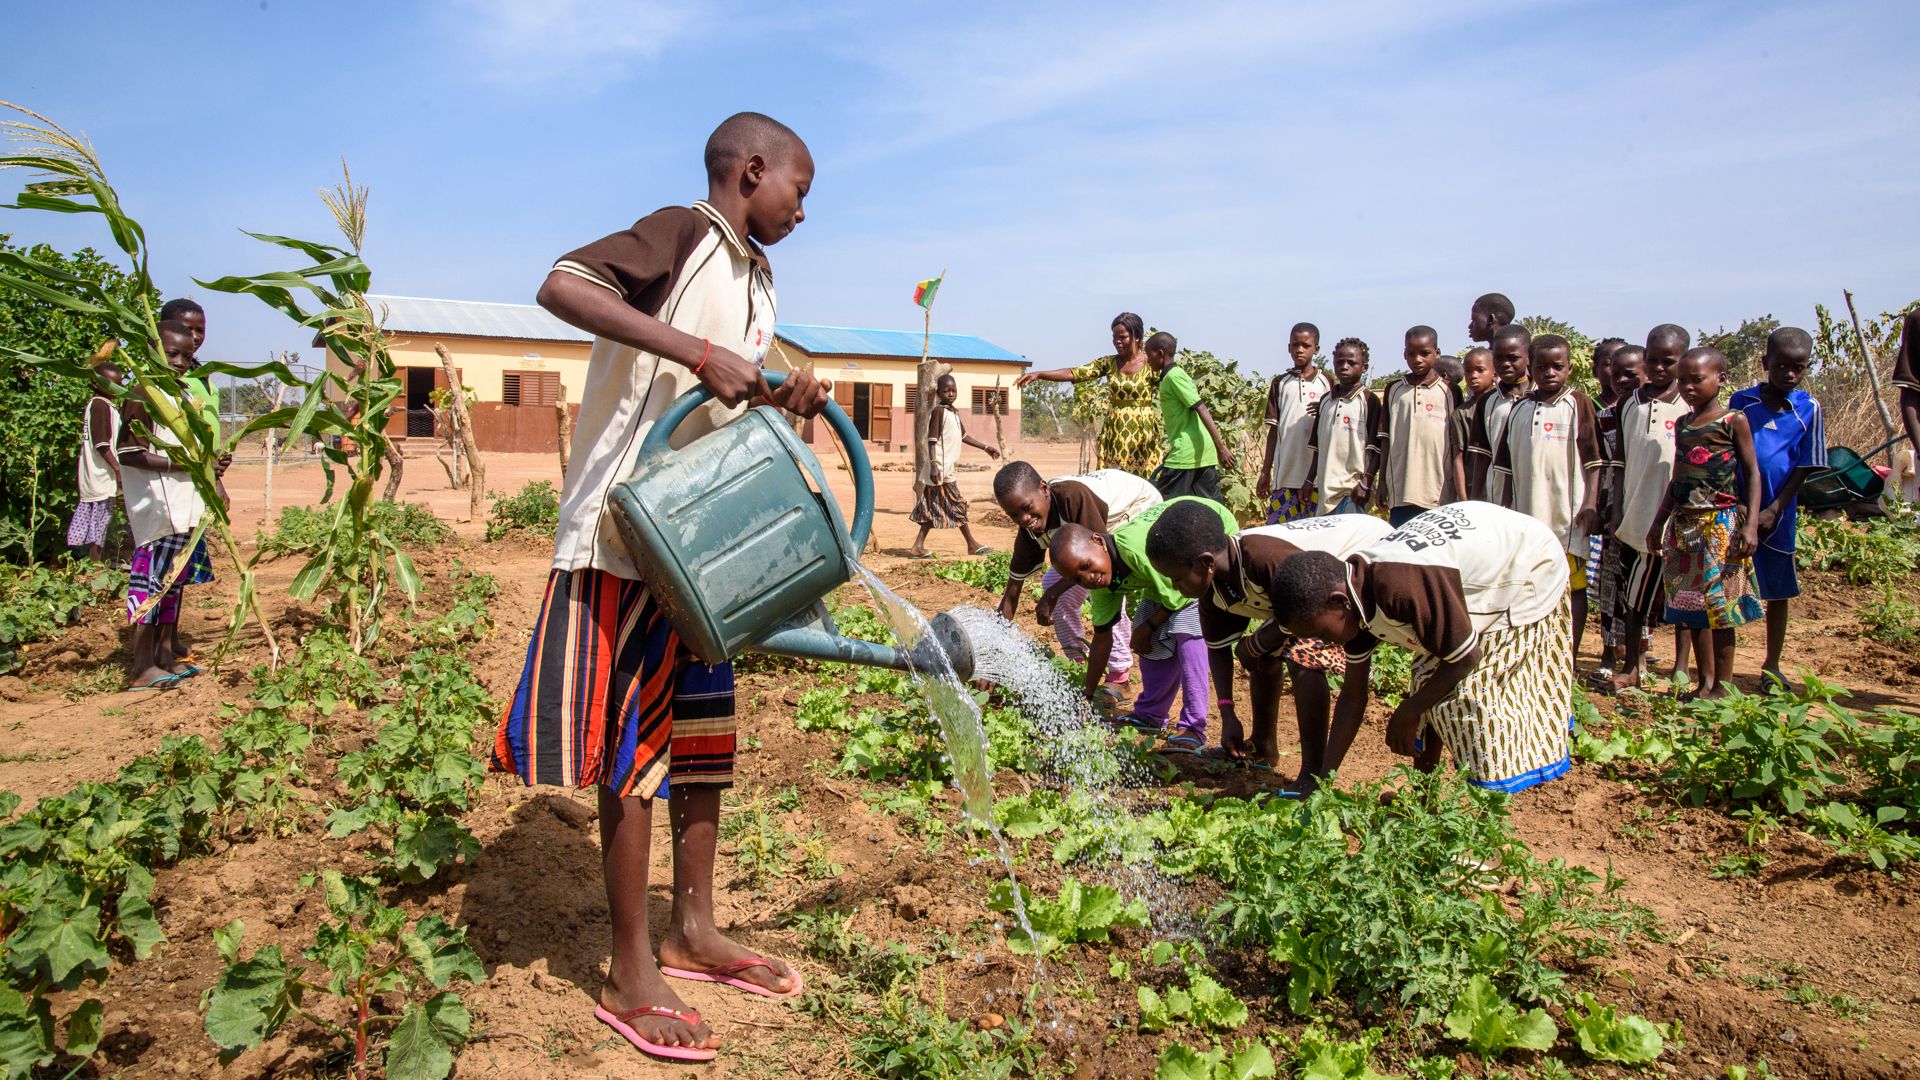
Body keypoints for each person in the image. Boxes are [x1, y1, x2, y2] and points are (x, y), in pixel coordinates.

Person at [490, 112, 830, 1063]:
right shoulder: (684, 235)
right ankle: (630, 965)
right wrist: (694, 353)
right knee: (631, 751)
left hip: (701, 543)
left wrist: (779, 388)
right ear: (752, 172)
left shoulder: (757, 277)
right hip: (627, 531)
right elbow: (563, 283)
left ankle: (694, 928)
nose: (804, 211)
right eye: (799, 191)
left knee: (702, 738)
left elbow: (725, 387)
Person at [1268, 501, 1574, 793]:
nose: (1322, 643)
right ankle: (1423, 799)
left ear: (1338, 603)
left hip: (1527, 566)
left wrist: (1408, 711)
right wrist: (1322, 782)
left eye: (1320, 633)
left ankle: (1484, 816)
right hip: (1476, 553)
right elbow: (1352, 696)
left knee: (1469, 698)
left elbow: (1467, 657)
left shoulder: (1399, 587)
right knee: (1428, 678)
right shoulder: (1355, 602)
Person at [1145, 500, 1391, 789]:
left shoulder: (1261, 558)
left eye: (1176, 579)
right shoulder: (1214, 593)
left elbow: (1307, 605)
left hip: (1360, 556)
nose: (1175, 588)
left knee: (1301, 656)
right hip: (1306, 595)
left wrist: (1258, 641)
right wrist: (1227, 714)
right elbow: (1218, 649)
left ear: (1206, 563)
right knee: (1261, 651)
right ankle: (1263, 745)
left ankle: (1312, 774)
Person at [1047, 496, 1237, 754]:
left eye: (1086, 566)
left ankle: (1194, 726)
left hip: (1203, 539)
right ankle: (1152, 714)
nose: (1088, 579)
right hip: (1167, 572)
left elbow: (1179, 597)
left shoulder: (1134, 550)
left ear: (1098, 541)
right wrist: (1087, 696)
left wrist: (1147, 627)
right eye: (1076, 579)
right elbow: (1103, 638)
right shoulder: (1104, 584)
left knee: (1187, 625)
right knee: (1148, 631)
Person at [993, 462, 1162, 706]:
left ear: (1043, 489)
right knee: (1054, 581)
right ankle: (1080, 666)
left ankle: (1119, 676)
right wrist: (994, 653)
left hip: (1137, 509)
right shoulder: (1029, 530)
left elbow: (1099, 554)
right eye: (1014, 515)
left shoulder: (1072, 497)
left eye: (1026, 508)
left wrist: (1051, 595)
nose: (1024, 518)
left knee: (1107, 585)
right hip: (1100, 533)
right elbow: (1011, 593)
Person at [1648, 347, 1762, 698]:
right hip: (1685, 525)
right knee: (1692, 606)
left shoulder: (1733, 420)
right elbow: (1678, 478)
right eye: (1683, 381)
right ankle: (1704, 683)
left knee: (1721, 609)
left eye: (1697, 380)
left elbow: (1752, 473)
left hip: (1721, 524)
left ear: (1720, 379)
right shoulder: (1683, 424)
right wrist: (1659, 522)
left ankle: (1723, 687)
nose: (1688, 387)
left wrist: (1751, 524)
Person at [116, 322, 221, 690]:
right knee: (150, 587)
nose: (179, 362)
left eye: (186, 357)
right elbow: (129, 453)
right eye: (171, 354)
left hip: (179, 508)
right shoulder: (142, 394)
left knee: (171, 585)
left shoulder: (174, 395)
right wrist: (184, 464)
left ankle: (163, 656)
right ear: (152, 353)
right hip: (156, 511)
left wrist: (208, 465)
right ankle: (141, 666)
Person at [1492, 334, 1601, 661]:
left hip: (1567, 520)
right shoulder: (1518, 410)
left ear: (1569, 368)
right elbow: (1506, 467)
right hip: (1527, 519)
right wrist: (1505, 511)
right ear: (1531, 367)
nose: (1550, 373)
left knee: (1573, 588)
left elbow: (1594, 461)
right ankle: (1534, 653)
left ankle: (1570, 653)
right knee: (1530, 587)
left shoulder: (1577, 404)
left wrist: (1591, 503)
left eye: (1558, 366)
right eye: (1542, 367)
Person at [1728, 328, 1825, 691]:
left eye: (1797, 368)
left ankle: (1771, 665)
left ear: (1805, 368)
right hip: (1737, 509)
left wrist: (1774, 508)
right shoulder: (1742, 401)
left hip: (1779, 513)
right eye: (1781, 366)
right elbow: (1729, 453)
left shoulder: (1808, 408)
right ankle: (1726, 669)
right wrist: (1740, 504)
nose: (1788, 374)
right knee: (1729, 585)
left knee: (1778, 590)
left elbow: (1805, 464)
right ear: (1765, 363)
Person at [1606, 325, 1691, 693]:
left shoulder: (1691, 406)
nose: (1658, 368)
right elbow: (1621, 463)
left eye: (1667, 362)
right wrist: (1615, 510)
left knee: (1684, 595)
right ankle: (1633, 664)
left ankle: (1682, 667)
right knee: (1635, 595)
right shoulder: (1629, 404)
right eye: (1652, 361)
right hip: (1638, 515)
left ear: (1682, 362)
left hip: (1680, 518)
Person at [1015, 313, 1162, 477]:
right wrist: (1040, 374)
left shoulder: (1151, 364)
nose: (1117, 342)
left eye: (1122, 337)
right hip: (1115, 431)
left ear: (1137, 337)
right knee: (1115, 479)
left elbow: (1171, 385)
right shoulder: (1108, 363)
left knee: (1146, 479)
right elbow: (1075, 373)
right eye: (1114, 337)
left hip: (1143, 431)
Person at [1591, 345, 1647, 686]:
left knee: (1644, 585)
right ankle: (1610, 652)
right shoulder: (1602, 414)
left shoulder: (1657, 408)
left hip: (1649, 502)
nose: (1622, 378)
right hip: (1613, 504)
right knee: (1611, 581)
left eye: (1630, 371)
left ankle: (1639, 653)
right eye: (1614, 369)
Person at [908, 373, 999, 557]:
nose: (950, 394)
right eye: (946, 391)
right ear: (939, 393)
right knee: (957, 504)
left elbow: (964, 436)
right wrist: (933, 465)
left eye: (953, 390)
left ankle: (918, 546)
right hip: (939, 469)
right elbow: (931, 440)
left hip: (946, 469)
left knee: (932, 506)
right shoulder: (939, 412)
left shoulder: (953, 413)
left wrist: (986, 447)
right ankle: (972, 544)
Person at [1371, 325, 1453, 526]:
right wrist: (1382, 482)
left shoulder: (1449, 391)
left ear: (1437, 353)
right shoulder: (1394, 390)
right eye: (1411, 354)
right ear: (1404, 354)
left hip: (1438, 490)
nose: (1417, 360)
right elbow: (1385, 439)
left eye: (1425, 354)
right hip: (1401, 487)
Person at [1147, 331, 1235, 500]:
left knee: (1162, 507)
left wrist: (1221, 447)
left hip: (1187, 455)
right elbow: (1185, 420)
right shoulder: (1170, 377)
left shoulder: (1174, 376)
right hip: (1199, 454)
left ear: (1160, 353)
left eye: (1148, 353)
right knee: (1211, 509)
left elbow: (1201, 408)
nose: (1147, 359)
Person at [1257, 322, 1329, 523]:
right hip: (1285, 476)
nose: (1299, 350)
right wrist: (1265, 472)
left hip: (1317, 478)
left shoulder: (1327, 383)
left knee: (1314, 535)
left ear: (1316, 349)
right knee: (1280, 535)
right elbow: (1273, 431)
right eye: (1295, 345)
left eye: (1306, 345)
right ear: (1289, 348)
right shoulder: (1280, 383)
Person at [1305, 337, 1378, 515]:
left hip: (1353, 490)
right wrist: (1308, 481)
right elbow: (1317, 448)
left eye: (1351, 363)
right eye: (1340, 362)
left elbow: (1376, 448)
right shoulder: (1325, 401)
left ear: (1364, 367)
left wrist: (1366, 482)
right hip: (1325, 490)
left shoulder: (1369, 400)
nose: (1344, 366)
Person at [1466, 324, 1532, 501]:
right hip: (1497, 495)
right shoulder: (1487, 402)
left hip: (1535, 492)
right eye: (1499, 358)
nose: (1505, 364)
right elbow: (1481, 456)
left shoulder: (1540, 399)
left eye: (1513, 358)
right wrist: (1475, 500)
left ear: (1529, 358)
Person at [69, 359, 124, 563]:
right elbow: (102, 443)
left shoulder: (102, 404)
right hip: (101, 472)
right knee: (98, 519)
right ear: (95, 384)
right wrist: (117, 468)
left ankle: (88, 560)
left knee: (98, 517)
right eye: (111, 385)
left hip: (97, 471)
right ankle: (94, 562)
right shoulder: (100, 405)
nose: (116, 389)